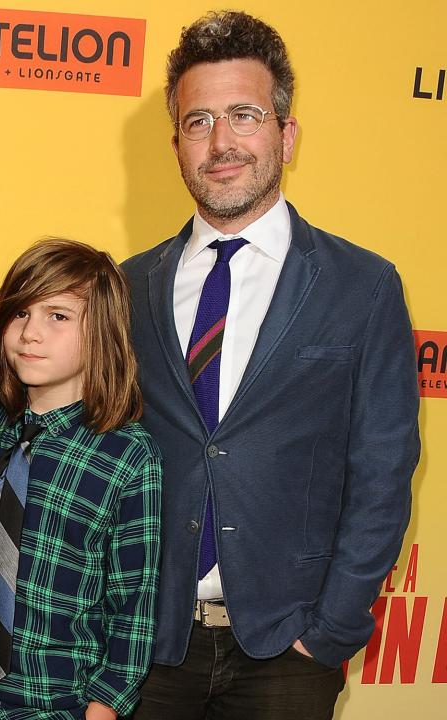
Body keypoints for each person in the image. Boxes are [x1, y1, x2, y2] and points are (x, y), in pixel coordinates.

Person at [121, 11, 420, 719]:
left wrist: (333, 630)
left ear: (286, 135)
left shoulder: (362, 286)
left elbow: (383, 470)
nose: (221, 143)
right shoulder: (127, 287)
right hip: (145, 647)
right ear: (176, 145)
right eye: (199, 123)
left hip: (288, 652)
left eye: (244, 116)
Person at [0, 239, 162, 719]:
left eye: (58, 316)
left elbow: (133, 601)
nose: (30, 334)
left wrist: (106, 704)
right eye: (20, 313)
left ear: (104, 334)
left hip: (54, 701)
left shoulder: (128, 456)